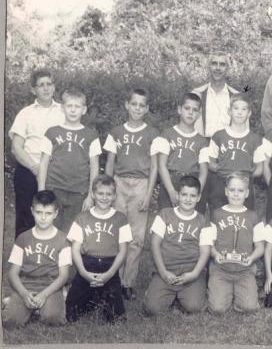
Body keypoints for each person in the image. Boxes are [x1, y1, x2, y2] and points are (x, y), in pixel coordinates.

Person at [104, 88, 161, 300]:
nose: (137, 108)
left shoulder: (152, 133)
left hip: (140, 184)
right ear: (127, 105)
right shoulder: (116, 132)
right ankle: (113, 280)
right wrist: (107, 190)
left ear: (146, 109)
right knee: (117, 233)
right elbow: (110, 162)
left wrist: (148, 194)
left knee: (136, 237)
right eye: (133, 104)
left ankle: (128, 283)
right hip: (118, 183)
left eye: (141, 105)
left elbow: (154, 166)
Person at [65, 174, 133, 323]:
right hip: (86, 264)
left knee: (116, 317)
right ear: (93, 194)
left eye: (109, 194)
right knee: (70, 313)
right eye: (100, 193)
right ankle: (92, 296)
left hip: (110, 266)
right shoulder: (82, 217)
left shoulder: (120, 219)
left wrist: (109, 274)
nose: (104, 197)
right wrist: (83, 272)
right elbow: (75, 249)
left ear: (114, 196)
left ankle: (100, 297)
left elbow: (123, 251)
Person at [143, 176, 213, 315]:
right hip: (166, 270)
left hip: (190, 272)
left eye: (193, 196)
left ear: (199, 198)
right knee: (152, 309)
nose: (188, 199)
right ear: (177, 195)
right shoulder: (164, 214)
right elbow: (155, 244)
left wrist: (194, 274)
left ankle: (183, 296)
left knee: (194, 307)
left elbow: (205, 251)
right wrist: (163, 272)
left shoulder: (203, 221)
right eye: (184, 195)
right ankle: (160, 291)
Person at [3, 190, 71, 329]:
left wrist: (44, 295)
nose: (43, 218)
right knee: (11, 322)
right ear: (32, 211)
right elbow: (12, 273)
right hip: (26, 285)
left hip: (50, 287)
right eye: (39, 212)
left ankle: (54, 301)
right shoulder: (23, 238)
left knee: (54, 319)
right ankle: (18, 301)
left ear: (56, 214)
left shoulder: (63, 240)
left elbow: (64, 276)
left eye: (48, 213)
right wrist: (23, 294)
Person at [9, 69, 65, 237]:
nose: (46, 88)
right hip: (28, 171)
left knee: (54, 216)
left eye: (49, 84)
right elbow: (16, 147)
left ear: (54, 87)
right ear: (33, 90)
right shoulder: (26, 113)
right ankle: (23, 257)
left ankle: (52, 256)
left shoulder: (64, 111)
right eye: (41, 85)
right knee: (26, 216)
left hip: (56, 172)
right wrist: (35, 168)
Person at [37, 88, 101, 232]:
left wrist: (91, 195)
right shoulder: (51, 132)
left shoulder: (91, 136)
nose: (73, 110)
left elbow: (95, 167)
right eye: (69, 106)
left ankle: (69, 255)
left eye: (77, 106)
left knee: (74, 232)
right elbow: (43, 163)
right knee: (51, 228)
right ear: (62, 108)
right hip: (54, 188)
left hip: (79, 192)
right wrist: (41, 190)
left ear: (84, 110)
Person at [208, 172, 265, 314]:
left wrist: (251, 258)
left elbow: (260, 247)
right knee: (217, 309)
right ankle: (222, 291)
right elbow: (209, 244)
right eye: (232, 190)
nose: (236, 194)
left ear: (247, 193)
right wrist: (216, 255)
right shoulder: (216, 214)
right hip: (221, 269)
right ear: (226, 191)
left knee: (249, 307)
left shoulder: (254, 216)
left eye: (240, 191)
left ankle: (240, 294)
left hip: (245, 271)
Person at [208, 94, 265, 210]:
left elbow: (259, 169)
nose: (240, 112)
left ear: (249, 113)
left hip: (244, 185)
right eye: (236, 108)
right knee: (219, 218)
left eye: (244, 109)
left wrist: (245, 175)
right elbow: (210, 163)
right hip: (222, 182)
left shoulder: (255, 139)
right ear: (229, 112)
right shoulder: (218, 136)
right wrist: (224, 170)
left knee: (245, 218)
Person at [157, 93, 209, 214]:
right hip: (170, 181)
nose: (190, 112)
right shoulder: (167, 134)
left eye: (195, 110)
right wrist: (170, 190)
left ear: (199, 114)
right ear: (179, 109)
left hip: (192, 183)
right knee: (167, 219)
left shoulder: (202, 141)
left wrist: (195, 193)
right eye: (187, 108)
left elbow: (204, 172)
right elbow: (162, 165)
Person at [192, 51, 239, 138]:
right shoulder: (197, 94)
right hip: (202, 147)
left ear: (227, 69)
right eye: (214, 63)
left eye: (222, 64)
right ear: (209, 67)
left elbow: (243, 130)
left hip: (228, 147)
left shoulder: (236, 96)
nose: (218, 68)